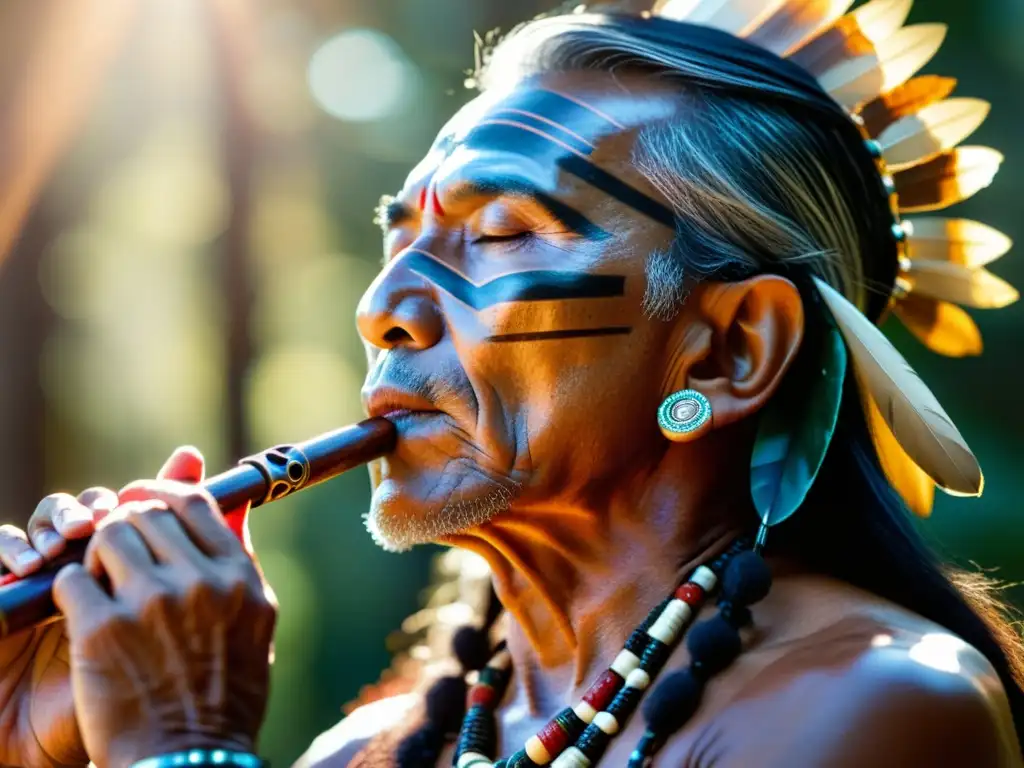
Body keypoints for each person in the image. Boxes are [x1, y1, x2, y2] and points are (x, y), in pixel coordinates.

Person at [0, 1, 1021, 766]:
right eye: (396, 237)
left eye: (499, 232)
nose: (385, 305)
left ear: (727, 352)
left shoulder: (871, 708)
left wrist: (185, 743)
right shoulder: (364, 752)